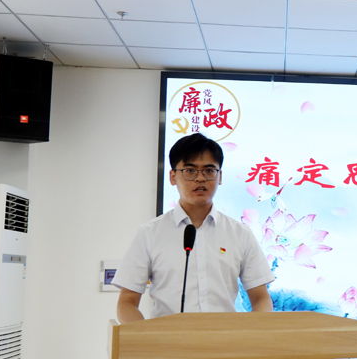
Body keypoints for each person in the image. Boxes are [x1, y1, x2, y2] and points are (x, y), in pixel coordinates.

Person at [112, 133, 274, 323]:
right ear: (173, 176)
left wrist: (252, 334)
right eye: (190, 171)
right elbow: (127, 302)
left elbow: (261, 298)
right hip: (167, 340)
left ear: (219, 176)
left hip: (226, 339)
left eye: (209, 171)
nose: (200, 179)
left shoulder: (240, 234)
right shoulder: (149, 233)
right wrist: (144, 337)